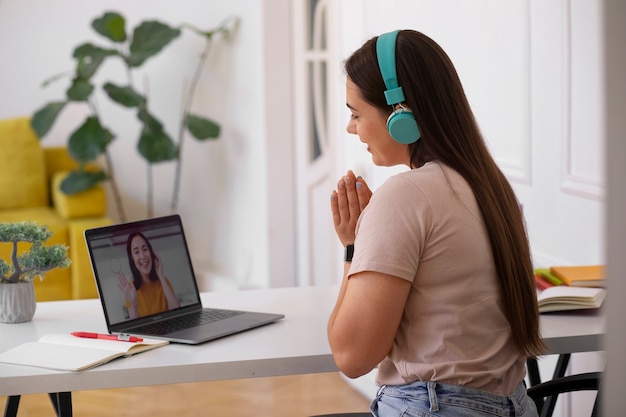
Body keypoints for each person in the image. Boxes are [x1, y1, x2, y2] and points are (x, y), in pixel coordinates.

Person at [328, 30, 544, 417]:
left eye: (356, 113)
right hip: (514, 404)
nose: (351, 128)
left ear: (400, 114)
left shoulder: (406, 194)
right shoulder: (493, 188)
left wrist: (353, 247)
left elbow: (351, 355)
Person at [117, 232, 180, 319]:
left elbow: (176, 312)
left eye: (145, 249)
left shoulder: (163, 281)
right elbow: (135, 329)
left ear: (151, 252)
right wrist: (134, 304)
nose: (142, 256)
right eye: (136, 252)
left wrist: (161, 276)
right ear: (132, 259)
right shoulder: (131, 289)